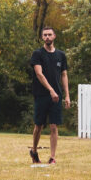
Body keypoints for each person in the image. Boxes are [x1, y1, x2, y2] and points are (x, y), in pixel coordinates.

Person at [29, 27, 70, 164]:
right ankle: (34, 151)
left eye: (49, 35)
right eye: (45, 35)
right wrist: (51, 90)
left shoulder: (61, 55)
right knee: (39, 126)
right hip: (41, 95)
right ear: (42, 37)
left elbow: (64, 75)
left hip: (57, 96)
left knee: (54, 126)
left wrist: (67, 95)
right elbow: (39, 74)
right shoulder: (37, 54)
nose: (47, 37)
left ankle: (52, 157)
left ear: (54, 36)